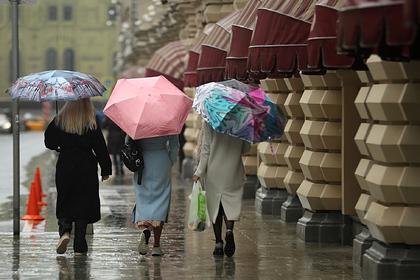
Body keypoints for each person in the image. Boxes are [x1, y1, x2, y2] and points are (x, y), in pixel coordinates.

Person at [44, 98, 112, 255]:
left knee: (65, 198)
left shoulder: (60, 120)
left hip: (65, 165)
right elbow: (100, 147)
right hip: (86, 166)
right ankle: (80, 243)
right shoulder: (90, 121)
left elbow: (49, 142)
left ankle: (65, 231)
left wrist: (59, 144)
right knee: (84, 202)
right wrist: (105, 169)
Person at [192, 121, 250, 257]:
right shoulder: (240, 119)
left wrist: (199, 172)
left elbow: (205, 149)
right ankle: (229, 230)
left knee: (215, 206)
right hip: (234, 169)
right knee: (230, 203)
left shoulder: (210, 120)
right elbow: (246, 148)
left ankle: (218, 243)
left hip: (214, 170)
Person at [132, 135, 179, 256]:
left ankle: (146, 229)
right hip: (161, 160)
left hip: (142, 162)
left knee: (143, 198)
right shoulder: (167, 120)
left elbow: (129, 141)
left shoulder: (139, 120)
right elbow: (174, 146)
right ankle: (156, 246)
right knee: (161, 199)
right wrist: (170, 161)